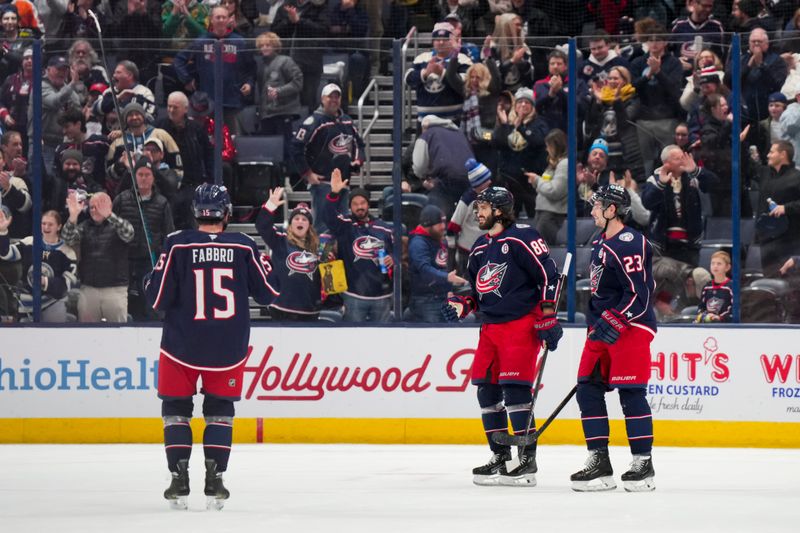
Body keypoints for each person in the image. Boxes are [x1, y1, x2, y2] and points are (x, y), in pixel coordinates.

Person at [144, 183, 279, 510]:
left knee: (176, 411)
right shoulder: (244, 245)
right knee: (220, 412)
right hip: (228, 347)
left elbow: (157, 298)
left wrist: (151, 277)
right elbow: (267, 293)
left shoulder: (177, 243)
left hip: (181, 346)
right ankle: (215, 479)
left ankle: (179, 478)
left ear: (196, 212)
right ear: (227, 213)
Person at [442, 186, 562, 487]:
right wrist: (463, 305)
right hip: (490, 328)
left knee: (515, 390)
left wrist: (548, 315)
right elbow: (477, 291)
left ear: (499, 210)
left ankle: (526, 462)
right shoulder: (481, 246)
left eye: (482, 207)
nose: (476, 212)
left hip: (521, 324)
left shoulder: (524, 237)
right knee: (486, 390)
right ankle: (501, 456)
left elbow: (549, 274)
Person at [570, 184, 657, 493]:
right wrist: (597, 325)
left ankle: (642, 464)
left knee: (630, 393)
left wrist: (617, 318)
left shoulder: (630, 242)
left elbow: (640, 295)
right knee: (587, 389)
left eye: (597, 206)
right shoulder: (599, 242)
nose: (592, 210)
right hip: (602, 328)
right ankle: (599, 461)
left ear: (612, 210)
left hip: (631, 326)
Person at [290, 83, 365, 230]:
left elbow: (359, 145)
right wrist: (307, 173)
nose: (334, 100)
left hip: (343, 183)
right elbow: (295, 147)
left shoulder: (347, 121)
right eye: (330, 97)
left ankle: (338, 254)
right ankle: (324, 254)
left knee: (342, 224)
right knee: (324, 226)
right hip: (323, 184)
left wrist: (357, 161)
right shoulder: (314, 121)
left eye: (337, 97)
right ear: (322, 99)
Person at [323, 168, 394, 323]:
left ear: (368, 204)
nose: (359, 207)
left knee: (384, 340)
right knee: (353, 340)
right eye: (355, 204)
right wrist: (334, 194)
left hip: (382, 296)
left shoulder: (384, 228)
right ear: (350, 207)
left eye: (362, 203)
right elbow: (328, 217)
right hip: (353, 296)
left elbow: (400, 252)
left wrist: (393, 258)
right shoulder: (345, 226)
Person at [173, 5, 256, 135]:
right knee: (207, 140)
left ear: (229, 20)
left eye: (224, 17)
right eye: (218, 17)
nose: (221, 20)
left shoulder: (239, 42)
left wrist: (249, 83)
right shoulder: (201, 42)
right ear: (211, 19)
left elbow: (251, 68)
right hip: (206, 101)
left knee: (231, 141)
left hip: (231, 100)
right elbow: (179, 60)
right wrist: (187, 80)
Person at [113, 158, 175, 321]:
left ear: (153, 177)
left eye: (147, 174)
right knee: (121, 301)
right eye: (140, 174)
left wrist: (162, 255)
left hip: (149, 259)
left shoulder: (162, 203)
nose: (144, 178)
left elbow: (168, 233)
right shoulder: (122, 199)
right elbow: (111, 227)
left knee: (150, 302)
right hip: (124, 258)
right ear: (134, 176)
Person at [61, 190, 135, 323]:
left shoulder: (118, 225)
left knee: (119, 334)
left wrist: (110, 215)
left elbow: (129, 233)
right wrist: (72, 217)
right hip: (89, 289)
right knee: (86, 334)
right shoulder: (84, 226)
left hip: (115, 289)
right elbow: (68, 239)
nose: (94, 210)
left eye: (99, 206)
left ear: (109, 207)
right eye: (92, 207)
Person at [0, 209, 77, 322]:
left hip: (53, 304)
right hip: (27, 304)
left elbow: (67, 284)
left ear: (59, 226)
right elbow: (6, 254)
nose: (46, 227)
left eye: (50, 224)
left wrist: (45, 282)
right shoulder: (29, 242)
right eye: (43, 223)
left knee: (55, 338)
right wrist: (3, 231)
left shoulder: (67, 252)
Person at [257, 189, 323, 321]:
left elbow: (327, 279)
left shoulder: (319, 247)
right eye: (296, 218)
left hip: (309, 311)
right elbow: (262, 226)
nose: (300, 221)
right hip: (281, 309)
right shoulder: (280, 239)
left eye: (304, 219)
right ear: (291, 223)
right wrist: (270, 206)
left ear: (309, 225)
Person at [407, 204, 467, 322]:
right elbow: (424, 269)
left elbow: (443, 266)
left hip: (442, 298)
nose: (443, 227)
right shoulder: (418, 243)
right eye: (439, 223)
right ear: (427, 224)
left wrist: (449, 289)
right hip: (426, 301)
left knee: (468, 318)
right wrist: (447, 278)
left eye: (444, 222)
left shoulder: (439, 240)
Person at [526, 129, 568, 244]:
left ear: (556, 146)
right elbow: (547, 186)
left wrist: (537, 180)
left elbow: (555, 191)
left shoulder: (564, 164)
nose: (546, 149)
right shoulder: (554, 164)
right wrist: (536, 182)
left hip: (551, 216)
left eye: (549, 146)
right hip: (543, 214)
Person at [695, 250, 733, 323]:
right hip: (707, 324)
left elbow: (733, 310)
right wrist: (703, 315)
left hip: (725, 325)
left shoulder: (731, 287)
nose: (715, 266)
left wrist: (720, 318)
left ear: (727, 267)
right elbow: (701, 307)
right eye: (713, 263)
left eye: (719, 264)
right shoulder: (707, 287)